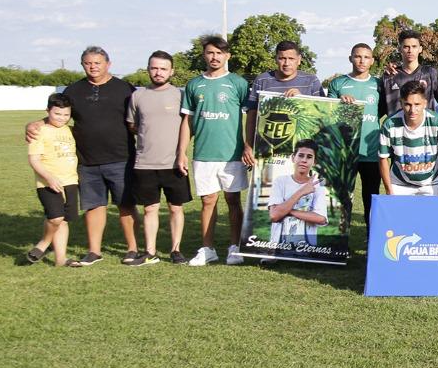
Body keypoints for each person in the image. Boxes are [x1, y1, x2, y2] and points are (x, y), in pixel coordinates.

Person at [26, 46, 138, 266]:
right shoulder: (74, 90)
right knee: (94, 206)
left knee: (126, 205)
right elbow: (58, 114)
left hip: (121, 157)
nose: (93, 66)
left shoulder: (125, 89)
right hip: (86, 160)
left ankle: (132, 249)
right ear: (82, 64)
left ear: (108, 64)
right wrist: (38, 122)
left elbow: (141, 116)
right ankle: (94, 251)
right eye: (88, 63)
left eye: (97, 62)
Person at [179, 35, 249, 267]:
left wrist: (247, 146)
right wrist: (181, 152)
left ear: (227, 56)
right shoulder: (193, 85)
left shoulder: (238, 83)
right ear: (204, 55)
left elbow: (250, 118)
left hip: (232, 154)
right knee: (208, 201)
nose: (214, 57)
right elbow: (186, 122)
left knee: (233, 200)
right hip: (203, 154)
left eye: (219, 53)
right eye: (210, 52)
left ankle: (234, 247)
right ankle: (208, 249)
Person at [127, 51, 190, 266]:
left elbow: (188, 126)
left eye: (163, 68)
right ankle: (150, 251)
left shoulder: (180, 95)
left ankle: (175, 249)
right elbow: (133, 125)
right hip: (144, 163)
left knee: (175, 207)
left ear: (171, 71)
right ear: (148, 69)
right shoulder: (138, 96)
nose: (158, 72)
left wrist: (181, 154)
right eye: (154, 68)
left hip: (174, 163)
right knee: (150, 209)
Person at [243, 40, 325, 167]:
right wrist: (248, 146)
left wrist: (302, 99)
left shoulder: (311, 81)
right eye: (282, 58)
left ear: (299, 59)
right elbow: (251, 117)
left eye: (291, 58)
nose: (286, 63)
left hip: (302, 150)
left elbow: (321, 114)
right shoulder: (262, 80)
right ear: (276, 59)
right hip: (268, 151)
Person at [328, 43, 383, 221]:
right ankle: (337, 243)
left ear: (372, 61)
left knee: (371, 198)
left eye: (366, 57)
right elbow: (327, 113)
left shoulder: (378, 84)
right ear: (350, 58)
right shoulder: (338, 83)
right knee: (340, 198)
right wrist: (339, 105)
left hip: (370, 151)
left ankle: (370, 239)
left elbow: (380, 111)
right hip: (344, 151)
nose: (362, 60)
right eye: (358, 56)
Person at [378, 81, 438, 195]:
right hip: (400, 183)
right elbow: (383, 158)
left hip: (433, 182)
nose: (412, 110)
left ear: (425, 103)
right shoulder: (389, 124)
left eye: (417, 104)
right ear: (401, 103)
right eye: (407, 104)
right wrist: (389, 190)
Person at [26, 93, 79, 267]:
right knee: (55, 218)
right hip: (48, 183)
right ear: (47, 111)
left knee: (63, 220)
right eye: (57, 114)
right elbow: (34, 160)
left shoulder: (69, 130)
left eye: (66, 115)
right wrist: (49, 178)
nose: (62, 118)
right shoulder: (38, 131)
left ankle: (60, 259)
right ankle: (44, 244)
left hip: (70, 181)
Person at [268, 139, 329, 246]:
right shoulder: (280, 181)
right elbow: (274, 215)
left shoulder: (317, 186)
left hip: (306, 248)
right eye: (301, 155)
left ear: (314, 162)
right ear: (293, 157)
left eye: (309, 157)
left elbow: (321, 219)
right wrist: (302, 191)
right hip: (278, 247)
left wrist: (286, 211)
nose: (304, 160)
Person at [380, 28, 438, 117]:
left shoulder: (431, 74)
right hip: (397, 128)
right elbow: (377, 109)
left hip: (425, 128)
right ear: (399, 49)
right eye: (406, 47)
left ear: (420, 49)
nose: (410, 50)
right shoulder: (389, 76)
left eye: (414, 46)